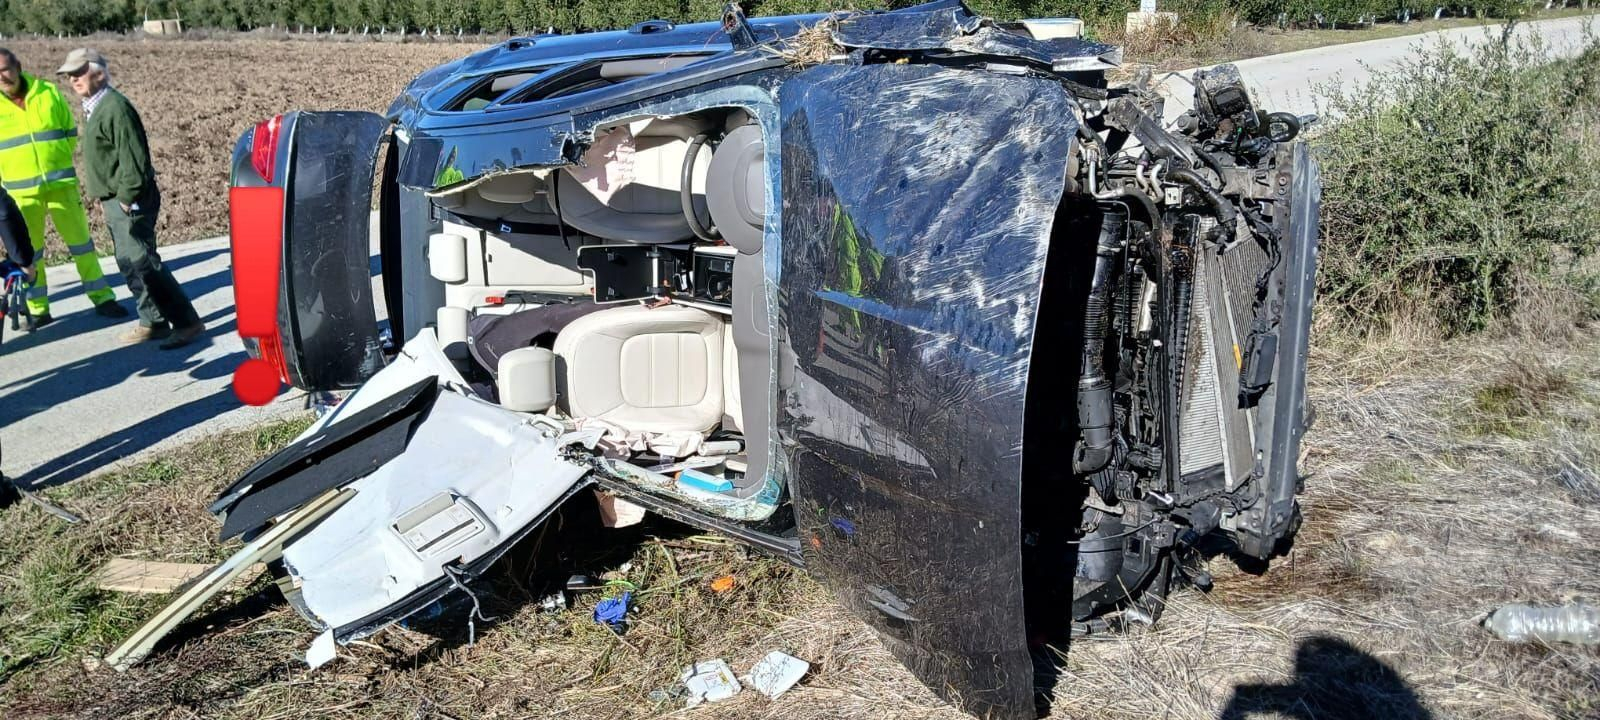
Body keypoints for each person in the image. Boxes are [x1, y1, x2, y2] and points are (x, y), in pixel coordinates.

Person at [59, 48, 201, 350]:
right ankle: (153, 321)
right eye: (69, 74)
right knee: (128, 262)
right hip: (113, 199)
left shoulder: (115, 108)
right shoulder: (94, 105)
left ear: (98, 72)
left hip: (129, 199)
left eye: (79, 72)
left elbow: (134, 160)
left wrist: (125, 197)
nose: (73, 79)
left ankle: (187, 321)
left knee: (144, 261)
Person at [0, 47, 128, 329]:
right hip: (20, 194)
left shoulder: (47, 92)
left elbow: (69, 132)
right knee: (30, 254)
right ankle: (38, 308)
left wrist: (55, 161)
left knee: (82, 245)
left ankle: (102, 297)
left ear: (18, 66)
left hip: (61, 184)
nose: (2, 77)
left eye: (5, 69)